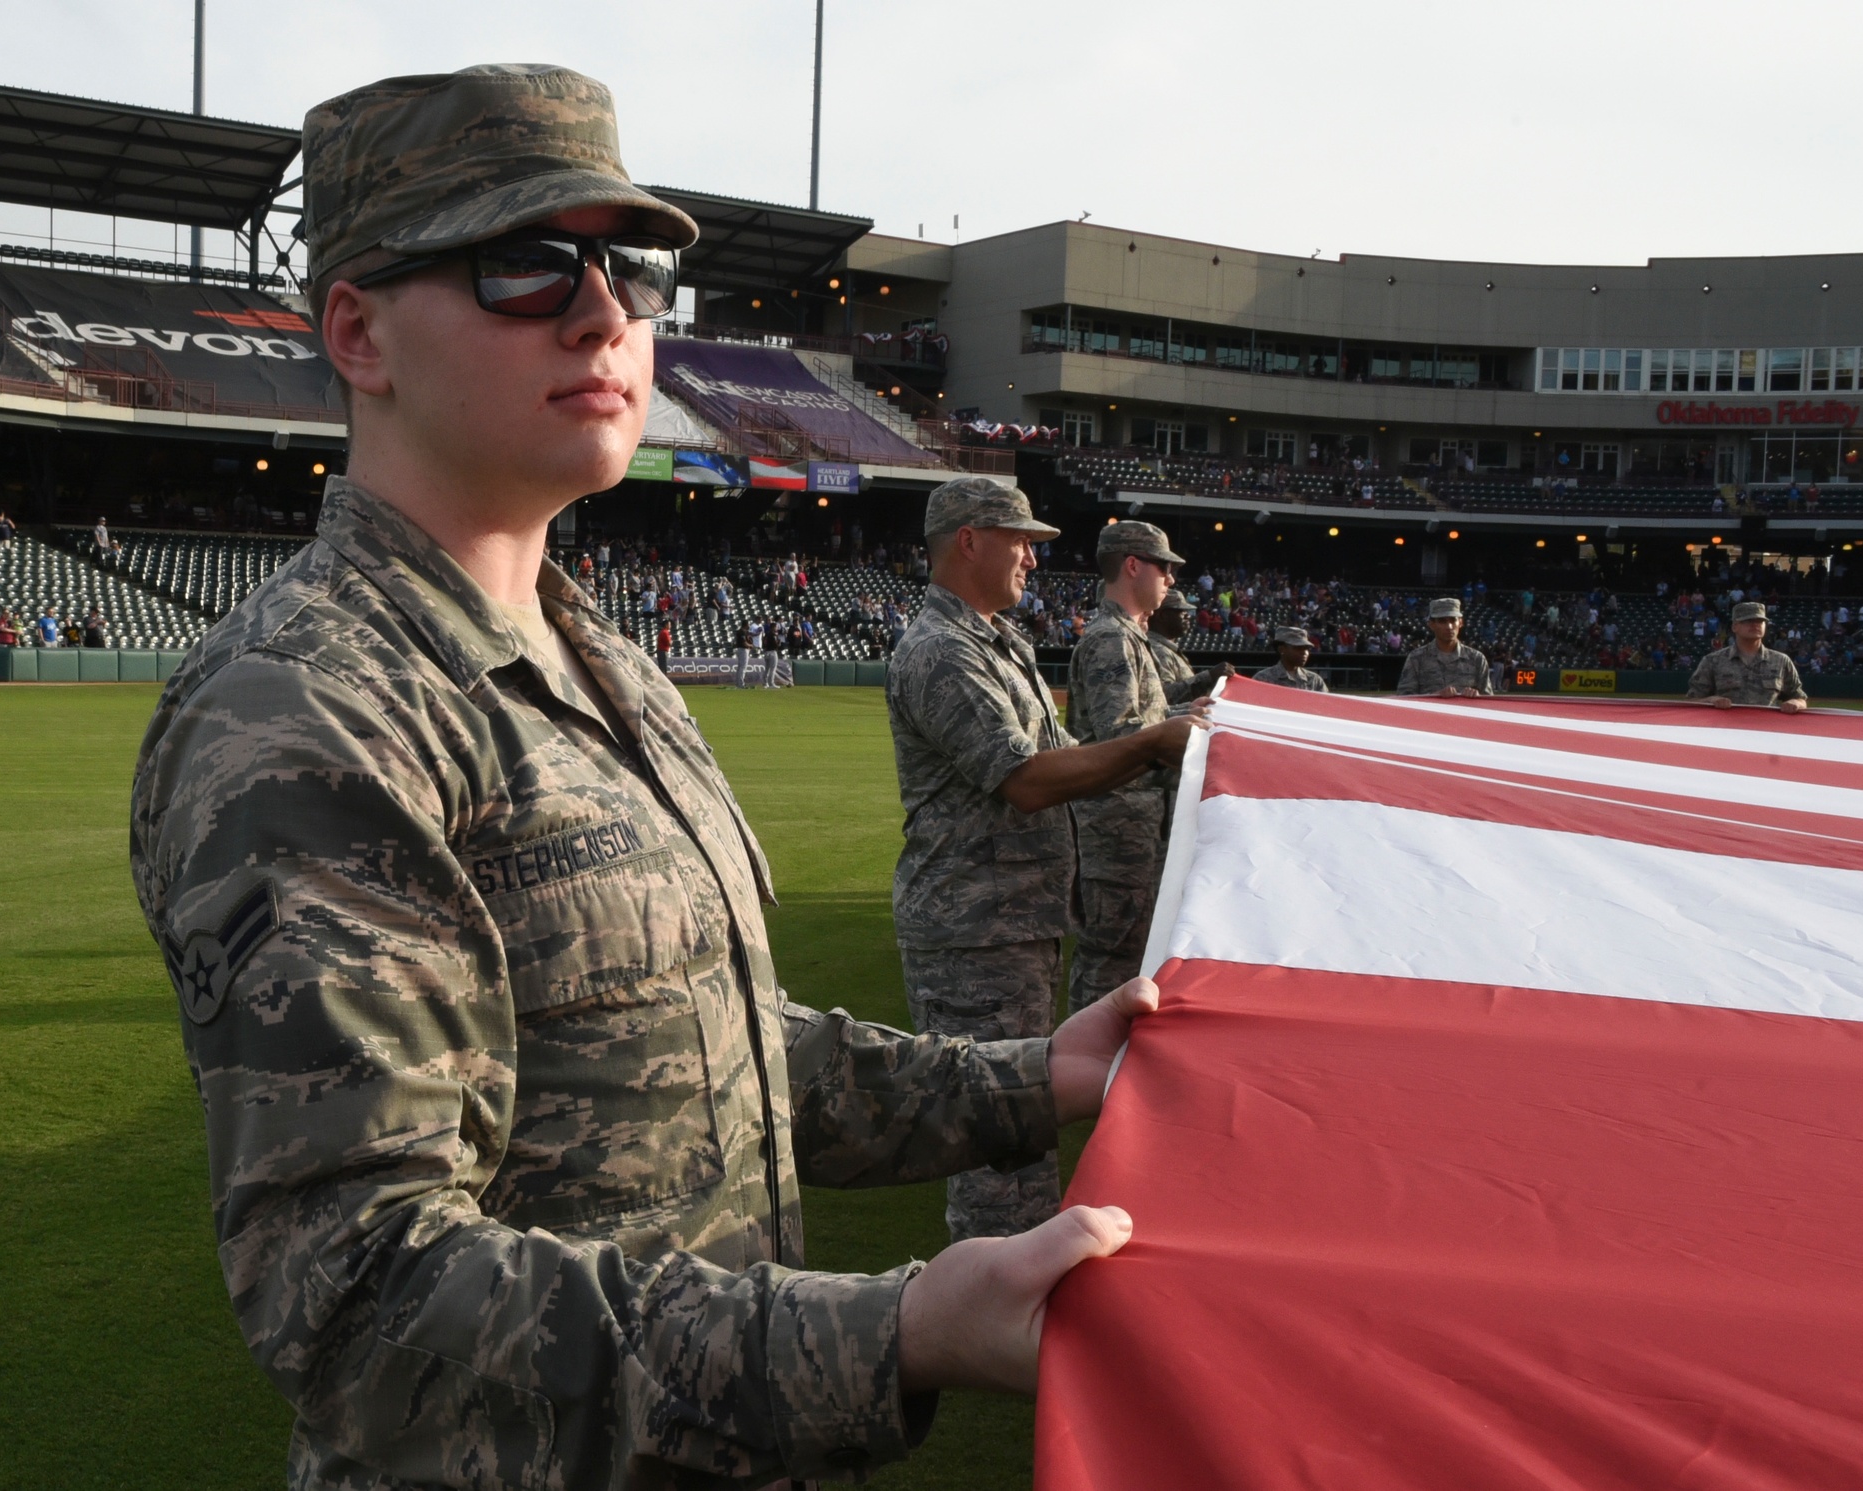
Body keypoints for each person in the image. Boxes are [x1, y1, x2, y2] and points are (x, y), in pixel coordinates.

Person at [128, 65, 1147, 1491]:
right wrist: (895, 1329)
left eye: (633, 267)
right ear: (356, 330)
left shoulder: (600, 654)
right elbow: (362, 1296)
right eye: (524, 264)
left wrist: (1033, 1075)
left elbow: (717, 1048)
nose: (605, 312)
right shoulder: (307, 707)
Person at [887, 475, 1202, 1242]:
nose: (1032, 557)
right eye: (1021, 539)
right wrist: (1154, 742)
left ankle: (1011, 1308)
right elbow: (1027, 779)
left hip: (1011, 923)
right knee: (996, 1149)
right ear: (970, 541)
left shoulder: (998, 643)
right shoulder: (940, 651)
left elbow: (1066, 755)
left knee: (1021, 1126)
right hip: (972, 931)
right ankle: (987, 1322)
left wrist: (1167, 729)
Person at [1066, 521, 1183, 1012]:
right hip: (1114, 831)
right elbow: (1120, 736)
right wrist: (1186, 737)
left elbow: (1142, 725)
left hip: (1130, 827)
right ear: (1133, 566)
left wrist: (1183, 718)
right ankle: (1089, 1069)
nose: (1171, 580)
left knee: (1128, 956)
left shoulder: (1127, 637)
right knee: (1109, 961)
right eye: (1164, 567)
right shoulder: (1112, 639)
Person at [1686, 602, 1809, 711]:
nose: (1755, 625)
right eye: (1748, 621)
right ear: (1735, 626)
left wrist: (1795, 703)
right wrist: (1711, 700)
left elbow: (1799, 698)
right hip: (1725, 730)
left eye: (1760, 621)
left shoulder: (1781, 661)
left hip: (1766, 730)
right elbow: (1692, 700)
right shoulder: (1712, 661)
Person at [1146, 588, 1232, 706]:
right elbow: (1164, 697)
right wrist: (1209, 676)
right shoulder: (1156, 650)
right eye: (1181, 612)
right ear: (1162, 615)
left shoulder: (1166, 648)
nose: (1188, 616)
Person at [1397, 597, 1493, 697]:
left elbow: (1489, 703)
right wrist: (1435, 697)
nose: (1449, 627)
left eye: (1453, 620)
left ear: (1460, 623)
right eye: (1442, 621)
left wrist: (1478, 698)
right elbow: (1404, 699)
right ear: (1431, 624)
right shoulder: (1417, 658)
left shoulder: (1476, 659)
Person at [1252, 626, 1329, 691]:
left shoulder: (1314, 681)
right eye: (1298, 648)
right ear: (1281, 649)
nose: (1304, 652)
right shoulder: (1263, 679)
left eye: (1307, 648)